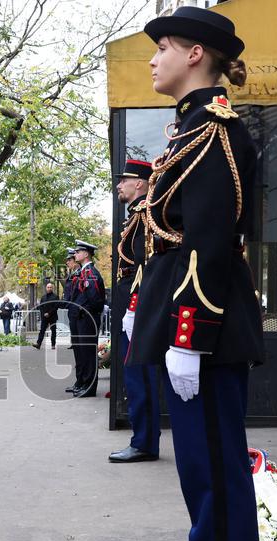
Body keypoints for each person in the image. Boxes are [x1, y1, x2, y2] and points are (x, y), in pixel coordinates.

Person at [130, 6, 263, 541]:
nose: (154, 60)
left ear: (194, 55)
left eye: (163, 47)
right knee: (201, 475)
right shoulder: (191, 130)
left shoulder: (214, 133)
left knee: (215, 476)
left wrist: (189, 335)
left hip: (204, 334)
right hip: (194, 331)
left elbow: (209, 245)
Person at [109, 159, 162, 463]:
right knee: (135, 375)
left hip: (136, 306)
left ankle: (143, 442)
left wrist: (134, 308)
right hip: (131, 302)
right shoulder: (136, 216)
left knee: (139, 375)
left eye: (124, 180)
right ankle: (143, 439)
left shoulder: (144, 215)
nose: (119, 185)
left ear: (139, 183)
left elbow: (145, 266)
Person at [70, 240, 105, 398]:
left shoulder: (90, 273)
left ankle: (89, 387)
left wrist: (86, 312)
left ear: (86, 254)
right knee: (83, 354)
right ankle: (84, 383)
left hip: (87, 318)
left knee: (88, 354)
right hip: (82, 318)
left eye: (78, 252)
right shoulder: (84, 272)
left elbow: (95, 300)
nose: (75, 254)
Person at [32, 282, 60, 350]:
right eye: (48, 287)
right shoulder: (43, 297)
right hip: (44, 317)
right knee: (42, 330)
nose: (49, 288)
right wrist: (44, 314)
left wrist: (49, 313)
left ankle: (53, 344)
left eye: (50, 287)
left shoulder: (55, 297)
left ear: (52, 288)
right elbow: (41, 307)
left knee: (53, 331)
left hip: (53, 316)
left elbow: (56, 307)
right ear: (46, 288)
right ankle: (38, 344)